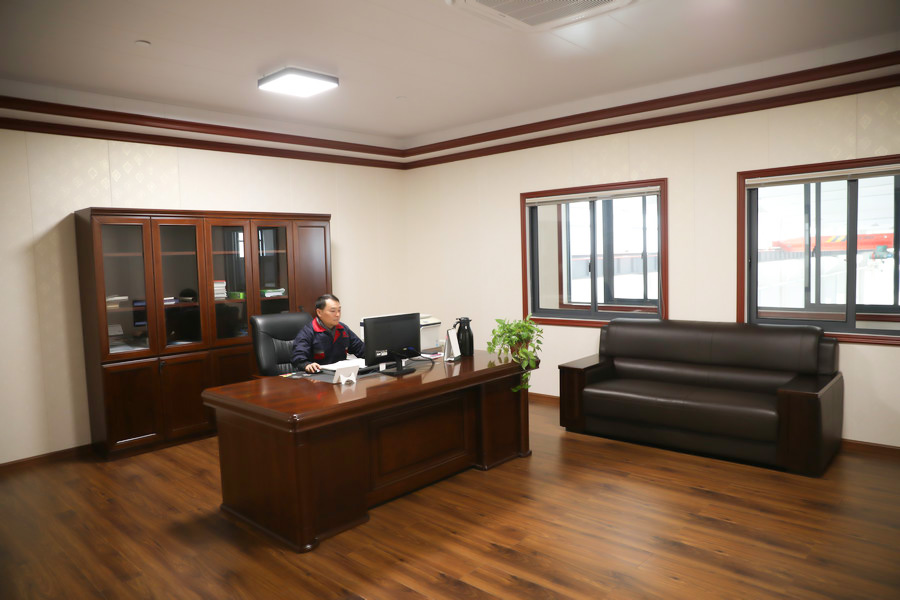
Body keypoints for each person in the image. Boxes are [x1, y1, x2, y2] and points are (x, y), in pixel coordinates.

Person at [291, 294, 365, 373]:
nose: (337, 315)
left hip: (340, 375)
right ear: (319, 312)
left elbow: (361, 350)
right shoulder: (308, 332)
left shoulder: (343, 329)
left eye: (339, 310)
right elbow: (298, 357)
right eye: (333, 311)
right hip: (318, 375)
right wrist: (307, 365)